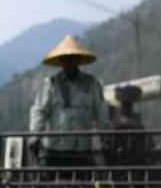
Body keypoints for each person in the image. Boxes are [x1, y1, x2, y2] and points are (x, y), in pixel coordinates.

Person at [28, 35, 107, 165]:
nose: (69, 62)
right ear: (60, 61)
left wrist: (106, 135)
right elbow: (39, 111)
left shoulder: (91, 83)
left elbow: (101, 110)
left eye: (72, 58)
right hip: (54, 149)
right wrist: (35, 134)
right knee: (53, 183)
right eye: (65, 59)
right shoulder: (50, 84)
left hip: (82, 149)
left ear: (78, 60)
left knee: (83, 183)